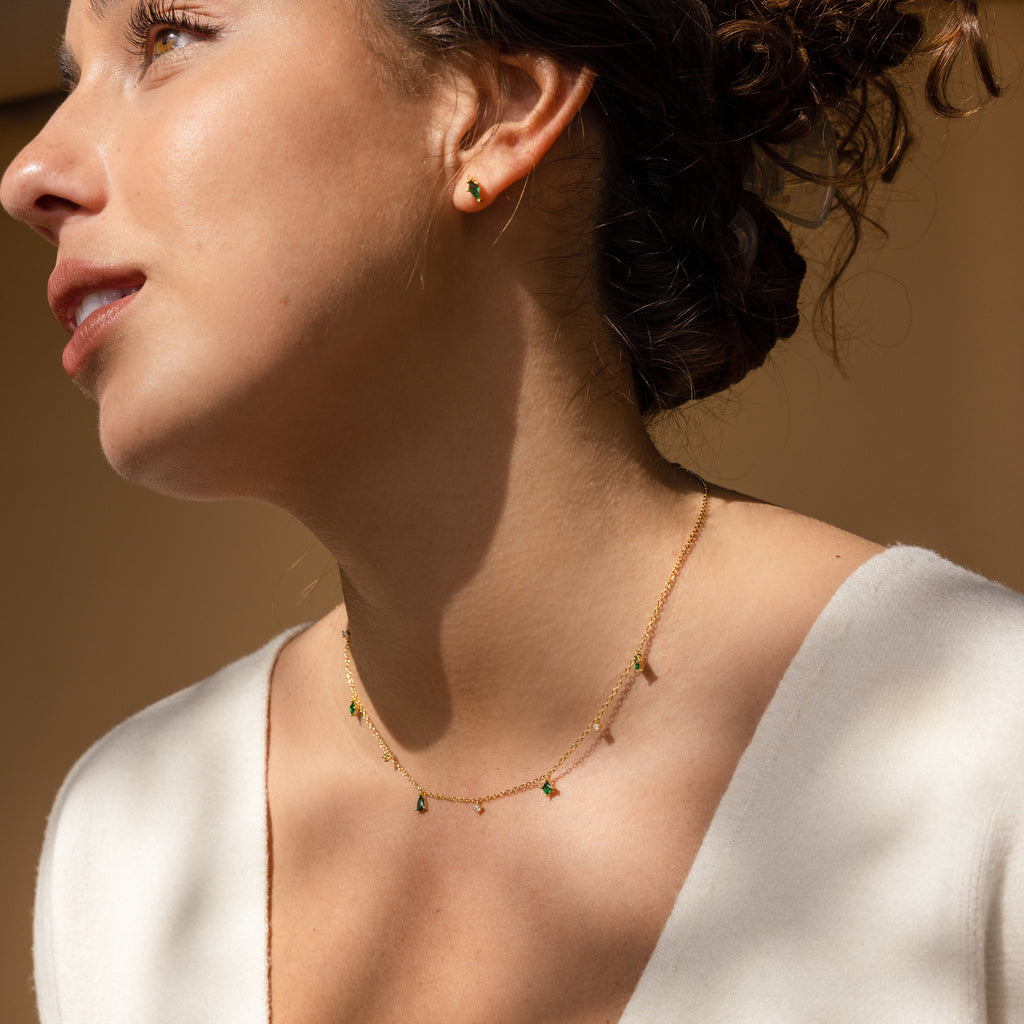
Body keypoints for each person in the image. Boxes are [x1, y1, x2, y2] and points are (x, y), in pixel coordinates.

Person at [2, 0, 1021, 1021]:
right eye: (69, 74)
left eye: (169, 36)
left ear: (495, 109)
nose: (29, 175)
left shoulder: (977, 749)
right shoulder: (132, 843)